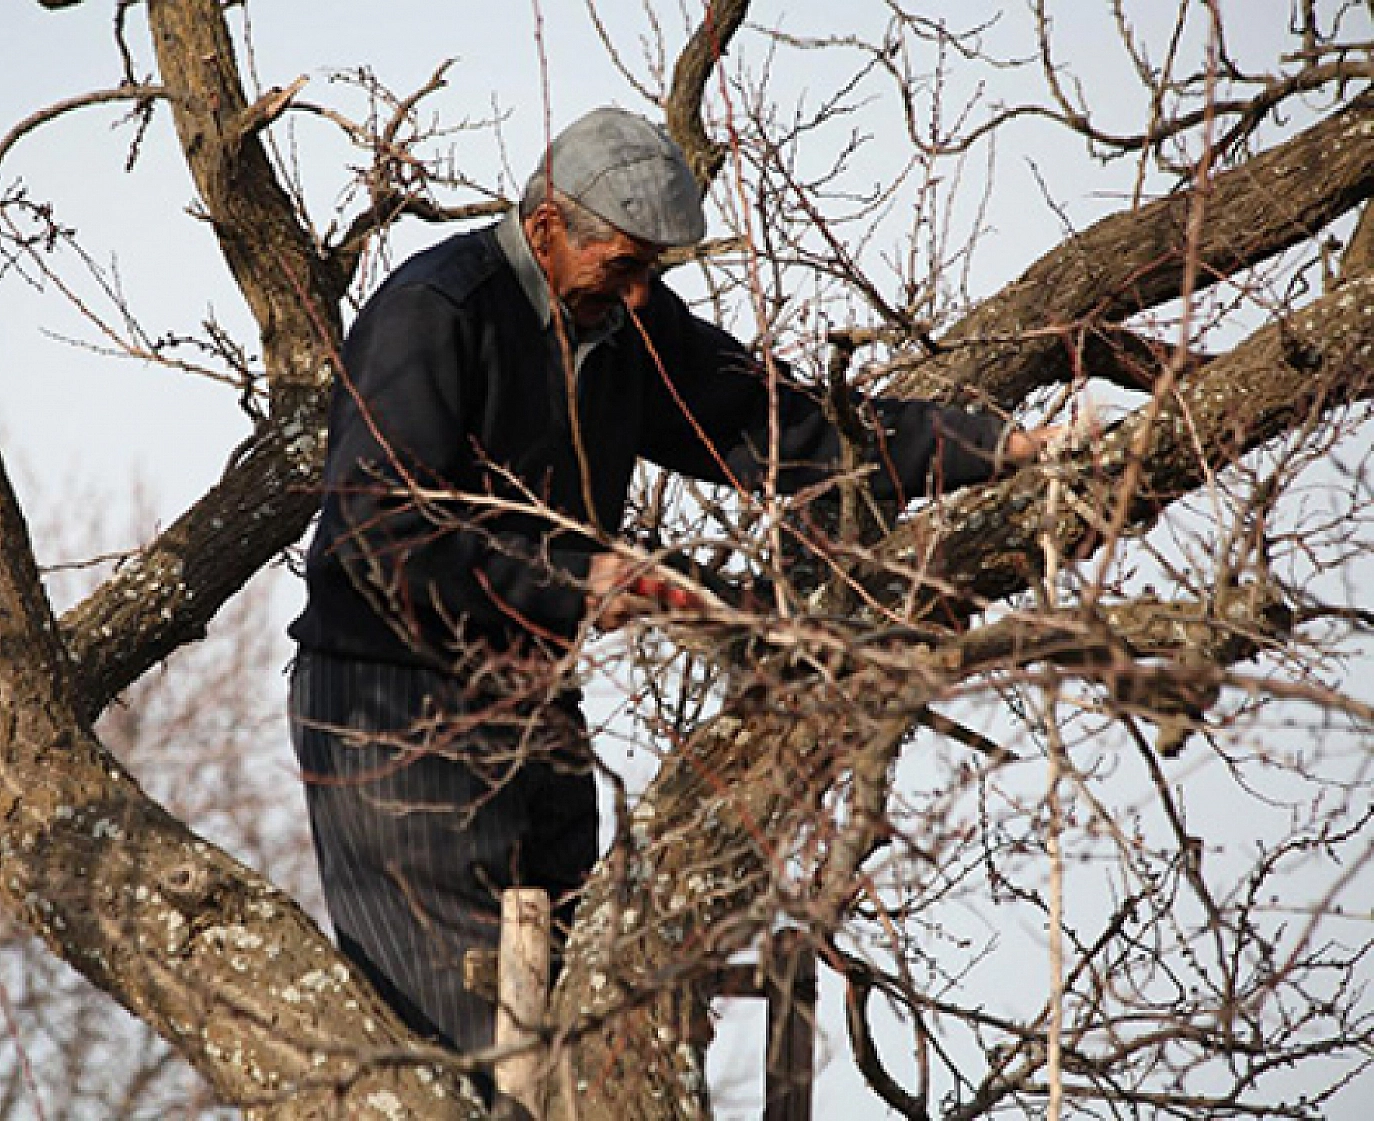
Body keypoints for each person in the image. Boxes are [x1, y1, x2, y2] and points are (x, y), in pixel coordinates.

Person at [286, 107, 1058, 1080]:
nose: (642, 292)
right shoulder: (437, 311)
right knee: (474, 1046)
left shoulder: (624, 315)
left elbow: (780, 421)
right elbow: (378, 536)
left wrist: (999, 448)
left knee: (594, 1015)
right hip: (388, 708)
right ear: (544, 231)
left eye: (656, 271)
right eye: (622, 266)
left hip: (532, 694)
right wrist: (580, 578)